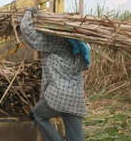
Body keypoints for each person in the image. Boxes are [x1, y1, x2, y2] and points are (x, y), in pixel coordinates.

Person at [19, 7, 90, 141]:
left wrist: (28, 13)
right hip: (75, 99)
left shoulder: (57, 43)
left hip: (57, 96)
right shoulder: (81, 50)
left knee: (38, 115)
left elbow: (28, 33)